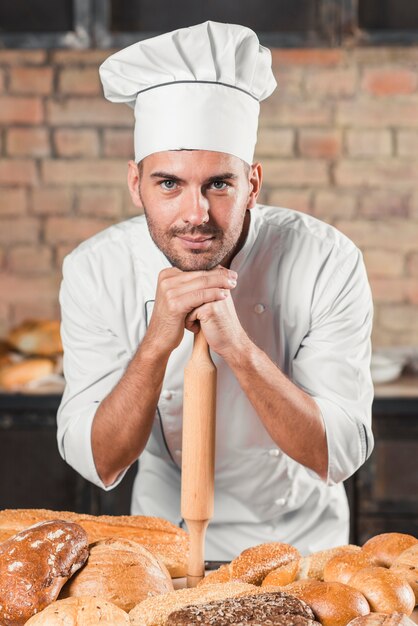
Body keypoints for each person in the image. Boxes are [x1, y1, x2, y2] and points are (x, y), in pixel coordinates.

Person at [57, 21, 374, 560]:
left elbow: (338, 453)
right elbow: (99, 461)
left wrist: (240, 351)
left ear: (252, 182)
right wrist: (157, 343)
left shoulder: (326, 260)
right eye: (169, 184)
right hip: (163, 543)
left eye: (218, 184)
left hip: (296, 546)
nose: (195, 215)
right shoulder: (95, 270)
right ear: (136, 184)